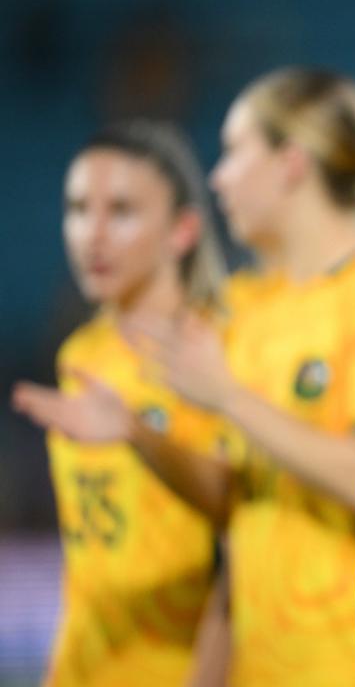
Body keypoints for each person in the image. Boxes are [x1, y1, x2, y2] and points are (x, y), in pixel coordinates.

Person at [36, 68, 355, 686]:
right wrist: (137, 434)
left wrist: (229, 397)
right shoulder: (244, 310)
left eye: (235, 152)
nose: (217, 177)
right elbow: (238, 517)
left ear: (291, 164)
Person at [11, 121, 227, 686]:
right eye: (79, 209)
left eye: (122, 211)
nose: (92, 234)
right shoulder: (81, 354)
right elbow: (88, 559)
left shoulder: (221, 352)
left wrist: (137, 433)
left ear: (182, 231)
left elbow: (240, 533)